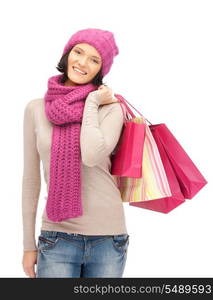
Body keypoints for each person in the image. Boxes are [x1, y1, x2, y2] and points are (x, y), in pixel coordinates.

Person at [22, 28, 129, 278]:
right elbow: (30, 180)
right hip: (56, 237)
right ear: (67, 54)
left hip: (108, 239)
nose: (82, 62)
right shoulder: (35, 109)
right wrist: (28, 245)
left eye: (94, 59)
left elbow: (91, 155)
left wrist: (92, 102)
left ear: (101, 70)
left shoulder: (111, 108)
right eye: (78, 52)